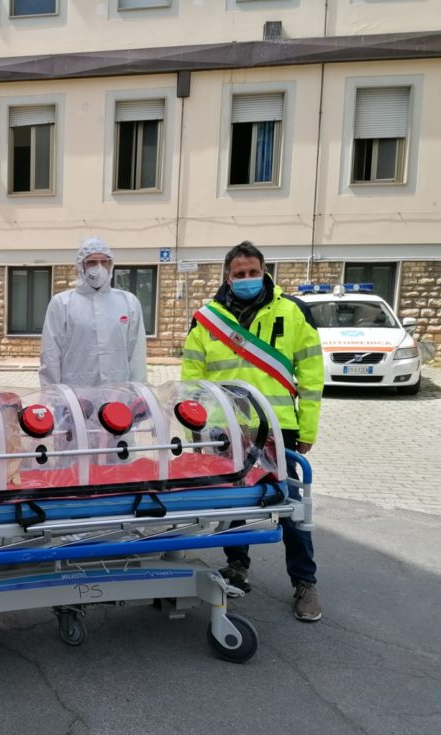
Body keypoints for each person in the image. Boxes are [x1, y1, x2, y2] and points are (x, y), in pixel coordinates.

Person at [181, 240, 324, 622]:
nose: (247, 278)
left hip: (278, 428)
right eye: (239, 274)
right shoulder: (206, 319)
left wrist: (307, 429)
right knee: (233, 503)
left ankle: (305, 582)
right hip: (225, 428)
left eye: (253, 272)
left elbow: (311, 376)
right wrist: (196, 428)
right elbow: (191, 379)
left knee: (290, 504)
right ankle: (237, 566)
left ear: (264, 272)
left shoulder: (293, 312)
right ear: (227, 278)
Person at [40, 236, 148, 386]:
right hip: (76, 392)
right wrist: (53, 393)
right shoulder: (62, 303)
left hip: (117, 392)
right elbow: (50, 353)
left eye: (104, 261)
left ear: (110, 265)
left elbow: (137, 353)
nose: (99, 267)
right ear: (80, 266)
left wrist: (138, 392)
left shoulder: (128, 302)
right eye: (91, 262)